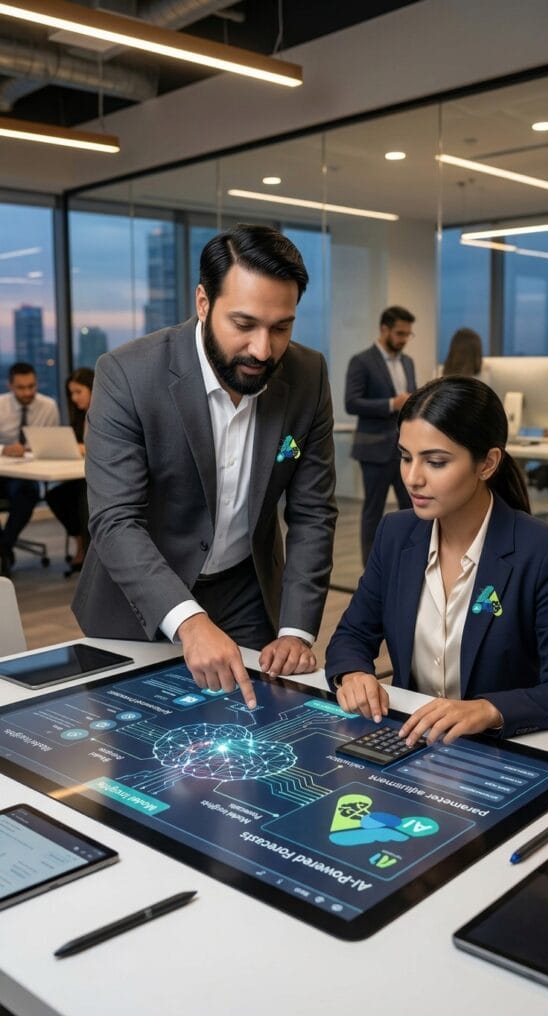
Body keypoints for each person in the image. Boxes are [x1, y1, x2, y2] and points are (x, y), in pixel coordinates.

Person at [73, 224, 338, 709]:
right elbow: (115, 522)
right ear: (203, 302)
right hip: (140, 602)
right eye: (244, 324)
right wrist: (189, 622)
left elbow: (313, 513)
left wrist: (297, 630)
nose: (263, 349)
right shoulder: (128, 374)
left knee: (255, 743)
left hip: (246, 593)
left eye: (281, 327)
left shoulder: (309, 376)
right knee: (136, 751)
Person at [326, 376, 548, 740]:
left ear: (487, 464)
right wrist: (354, 674)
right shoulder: (395, 534)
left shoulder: (546, 552)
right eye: (406, 457)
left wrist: (488, 709)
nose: (412, 478)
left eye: (436, 462)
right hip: (410, 742)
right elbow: (352, 635)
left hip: (502, 751)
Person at [345, 305, 417, 565]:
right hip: (374, 449)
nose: (403, 339)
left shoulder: (408, 362)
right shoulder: (362, 361)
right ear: (384, 329)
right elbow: (351, 403)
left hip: (406, 452)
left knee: (412, 509)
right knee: (373, 512)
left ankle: (411, 561)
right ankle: (371, 569)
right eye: (399, 333)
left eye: (408, 334)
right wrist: (390, 404)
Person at [0, 361, 59, 576]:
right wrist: (4, 449)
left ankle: (3, 548)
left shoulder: (48, 406)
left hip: (27, 474)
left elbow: (52, 444)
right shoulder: (1, 406)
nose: (28, 392)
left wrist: (30, 449)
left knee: (28, 493)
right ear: (10, 386)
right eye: (21, 387)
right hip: (2, 473)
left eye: (32, 386)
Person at [46, 367, 93, 576]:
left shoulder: (106, 414)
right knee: (56, 495)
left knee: (84, 497)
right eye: (71, 393)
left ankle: (89, 555)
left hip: (97, 478)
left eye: (78, 392)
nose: (74, 398)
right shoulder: (79, 417)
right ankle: (80, 541)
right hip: (81, 475)